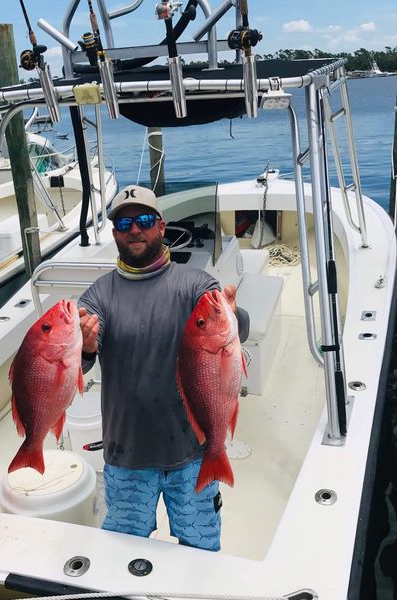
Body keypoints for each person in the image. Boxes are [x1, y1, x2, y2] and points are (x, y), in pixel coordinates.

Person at [78, 184, 249, 552]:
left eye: (143, 220)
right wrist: (86, 345)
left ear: (161, 226)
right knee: (122, 555)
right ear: (114, 234)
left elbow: (236, 327)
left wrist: (235, 316)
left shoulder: (194, 284)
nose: (134, 230)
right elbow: (81, 356)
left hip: (193, 455)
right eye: (124, 224)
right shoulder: (98, 295)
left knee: (201, 554)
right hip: (127, 456)